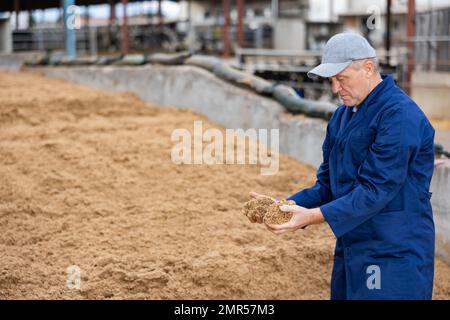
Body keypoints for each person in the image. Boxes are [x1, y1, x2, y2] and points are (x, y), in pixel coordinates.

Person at [251, 32, 435, 300]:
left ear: (368, 69)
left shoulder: (400, 116)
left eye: (341, 78)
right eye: (331, 81)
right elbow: (328, 184)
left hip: (393, 251)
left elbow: (375, 188)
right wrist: (286, 206)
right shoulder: (342, 117)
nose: (335, 89)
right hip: (353, 245)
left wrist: (312, 216)